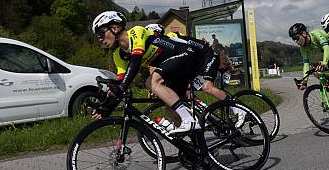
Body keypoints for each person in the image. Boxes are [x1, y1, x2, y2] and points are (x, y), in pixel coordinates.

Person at [91, 11, 227, 136]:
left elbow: (136, 61)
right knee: (171, 111)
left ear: (115, 28)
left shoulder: (136, 32)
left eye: (101, 33)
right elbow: (122, 84)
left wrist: (120, 87)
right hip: (175, 69)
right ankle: (200, 148)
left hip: (185, 55)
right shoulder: (118, 56)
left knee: (152, 81)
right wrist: (106, 109)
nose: (100, 39)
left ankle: (192, 119)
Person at [288, 22, 329, 91]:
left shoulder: (316, 34)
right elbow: (306, 64)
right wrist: (305, 82)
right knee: (314, 69)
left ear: (304, 33)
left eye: (297, 38)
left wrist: (324, 63)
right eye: (294, 39)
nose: (296, 41)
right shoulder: (303, 48)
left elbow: (326, 48)